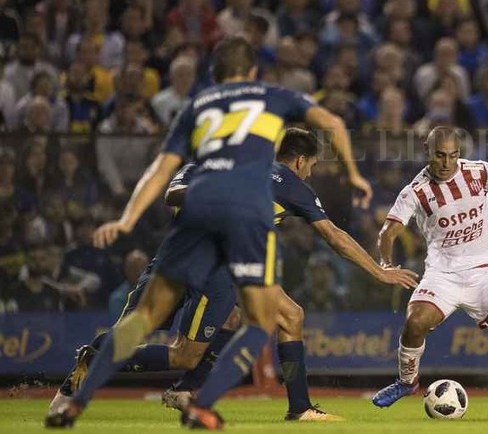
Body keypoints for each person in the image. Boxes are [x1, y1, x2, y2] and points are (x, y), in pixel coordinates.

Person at [45, 37, 374, 429]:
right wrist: (356, 181)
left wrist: (128, 219)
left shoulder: (201, 122)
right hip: (225, 256)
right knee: (201, 343)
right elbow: (334, 226)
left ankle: (228, 396)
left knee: (281, 315)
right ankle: (138, 372)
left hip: (188, 242)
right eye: (312, 166)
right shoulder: (281, 156)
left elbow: (167, 183)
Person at [50, 130, 417, 422]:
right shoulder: (287, 181)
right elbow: (334, 236)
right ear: (302, 160)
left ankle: (296, 407)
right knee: (182, 354)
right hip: (213, 268)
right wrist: (380, 273)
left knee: (289, 315)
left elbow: (173, 194)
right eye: (312, 166)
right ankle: (99, 359)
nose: (310, 172)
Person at [371, 126, 488, 419]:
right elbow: (388, 231)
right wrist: (386, 263)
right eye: (440, 156)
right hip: (442, 273)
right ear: (427, 151)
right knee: (414, 322)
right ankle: (407, 382)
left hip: (486, 268)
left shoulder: (479, 172)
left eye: (453, 155)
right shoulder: (415, 191)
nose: (447, 163)